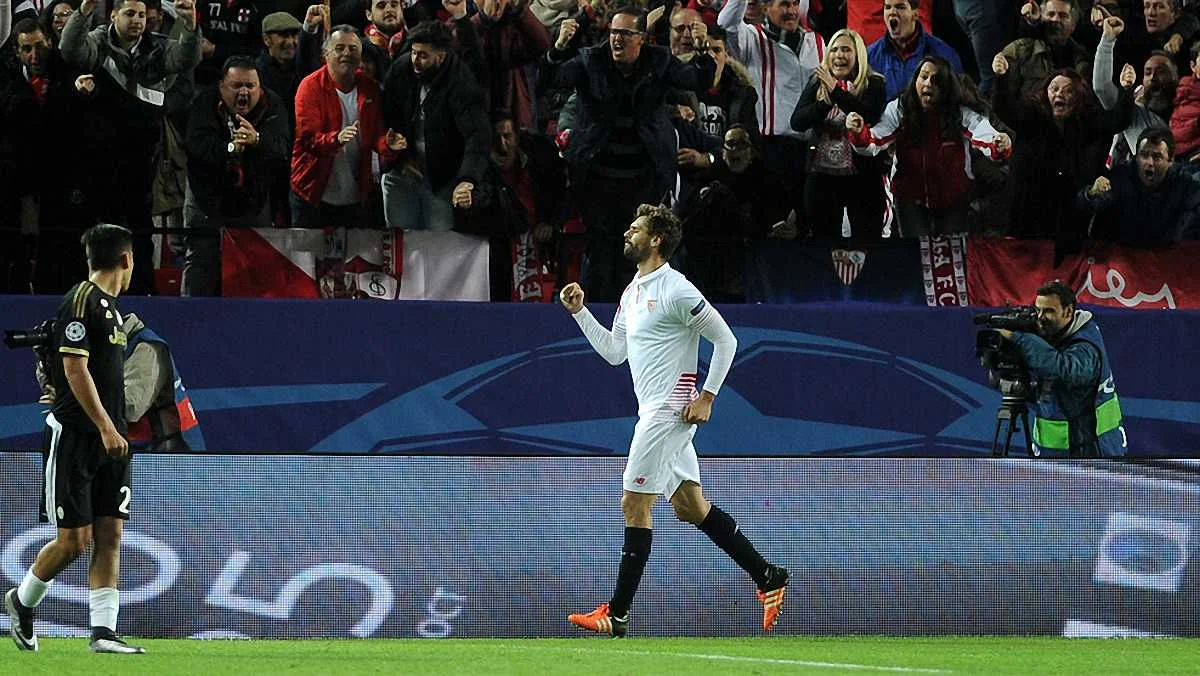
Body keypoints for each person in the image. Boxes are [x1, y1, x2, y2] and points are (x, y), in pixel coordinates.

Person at [559, 203, 789, 637]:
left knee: (634, 503)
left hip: (669, 411)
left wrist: (708, 396)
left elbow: (726, 340)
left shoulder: (677, 289)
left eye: (635, 229)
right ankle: (768, 575)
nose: (627, 233)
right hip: (655, 411)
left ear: (656, 239)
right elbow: (615, 353)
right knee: (689, 507)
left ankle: (616, 614)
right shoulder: (632, 291)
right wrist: (580, 313)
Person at [4, 224, 144, 654]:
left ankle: (103, 632)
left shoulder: (113, 311)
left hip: (111, 440)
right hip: (78, 438)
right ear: (126, 259)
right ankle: (21, 601)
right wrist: (105, 426)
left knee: (110, 534)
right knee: (74, 542)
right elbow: (74, 368)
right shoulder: (82, 299)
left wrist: (113, 430)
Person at [182, 56, 291, 296]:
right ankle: (192, 312)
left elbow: (282, 147)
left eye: (250, 86)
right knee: (202, 260)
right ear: (222, 86)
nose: (244, 92)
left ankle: (251, 316)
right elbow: (197, 146)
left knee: (253, 264)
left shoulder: (273, 104)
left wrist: (257, 140)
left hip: (254, 197)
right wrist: (230, 148)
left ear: (259, 87)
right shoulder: (205, 103)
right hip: (207, 196)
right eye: (236, 85)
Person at [35, 313, 206, 451]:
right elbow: (55, 390)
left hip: (170, 460)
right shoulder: (102, 352)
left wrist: (73, 400)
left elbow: (129, 408)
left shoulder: (145, 348)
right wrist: (49, 360)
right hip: (131, 454)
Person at [997, 280, 1128, 457]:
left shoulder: (1084, 346)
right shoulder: (1057, 336)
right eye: (1038, 310)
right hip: (1059, 454)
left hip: (1089, 451)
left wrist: (1019, 340)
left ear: (1068, 311)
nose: (1040, 317)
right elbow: (1056, 392)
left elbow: (1063, 371)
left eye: (1049, 311)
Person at [291, 25, 403, 228]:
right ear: (326, 55)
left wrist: (388, 145)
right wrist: (336, 139)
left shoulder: (370, 88)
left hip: (356, 195)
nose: (346, 53)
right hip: (312, 191)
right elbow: (308, 139)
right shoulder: (309, 87)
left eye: (353, 49)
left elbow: (376, 136)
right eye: (339, 48)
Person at [790, 28, 888, 238]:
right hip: (822, 179)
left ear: (858, 55)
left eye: (846, 50)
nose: (839, 55)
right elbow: (797, 122)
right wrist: (824, 103)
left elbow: (868, 114)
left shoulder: (874, 83)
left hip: (862, 180)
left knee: (867, 243)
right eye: (834, 50)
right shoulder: (818, 82)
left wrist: (835, 90)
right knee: (823, 245)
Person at [1077, 127, 1200, 245]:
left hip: (1164, 251)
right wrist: (1091, 194)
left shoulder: (1183, 181)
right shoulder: (1120, 177)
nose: (1150, 163)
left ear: (1171, 160)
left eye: (1157, 157)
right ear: (1136, 157)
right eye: (1144, 155)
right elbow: (1086, 206)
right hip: (1122, 250)